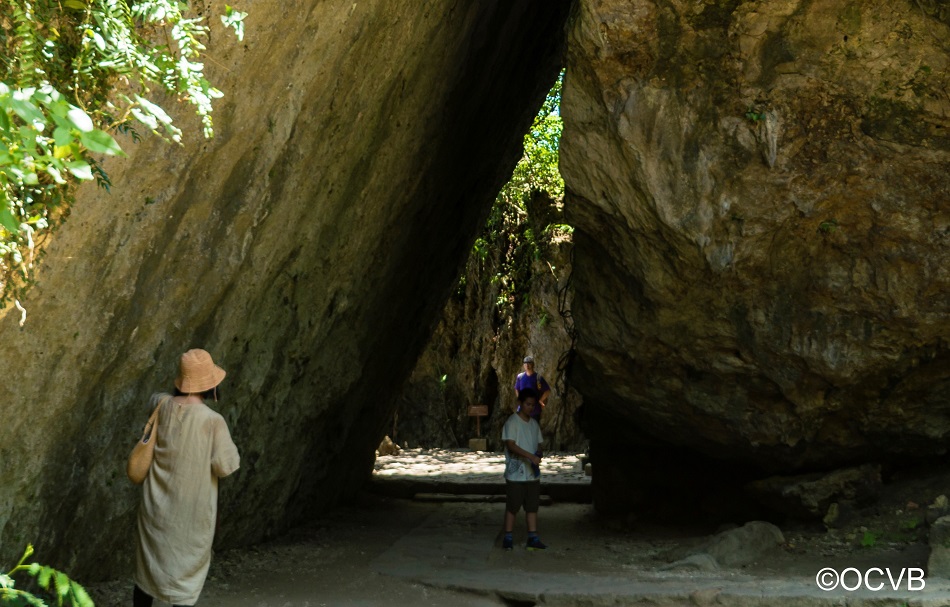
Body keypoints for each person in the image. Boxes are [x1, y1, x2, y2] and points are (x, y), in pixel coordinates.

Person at [133, 348, 240, 607]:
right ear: (210, 384)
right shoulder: (213, 421)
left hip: (155, 508)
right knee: (183, 578)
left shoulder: (163, 405)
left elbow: (158, 397)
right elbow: (226, 466)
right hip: (190, 516)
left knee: (147, 571)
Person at [501, 388, 546, 551]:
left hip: (532, 474)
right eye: (527, 404)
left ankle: (532, 537)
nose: (530, 408)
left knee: (532, 506)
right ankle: (508, 536)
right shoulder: (512, 422)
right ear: (520, 403)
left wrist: (539, 453)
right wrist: (529, 456)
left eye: (533, 405)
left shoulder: (534, 424)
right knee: (513, 506)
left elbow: (539, 443)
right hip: (516, 474)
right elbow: (511, 444)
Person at [514, 356, 551, 421]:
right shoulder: (520, 377)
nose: (527, 365)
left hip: (534, 410)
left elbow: (547, 391)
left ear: (533, 364)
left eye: (529, 363)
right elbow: (517, 388)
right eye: (525, 364)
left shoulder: (538, 378)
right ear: (523, 365)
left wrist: (541, 400)